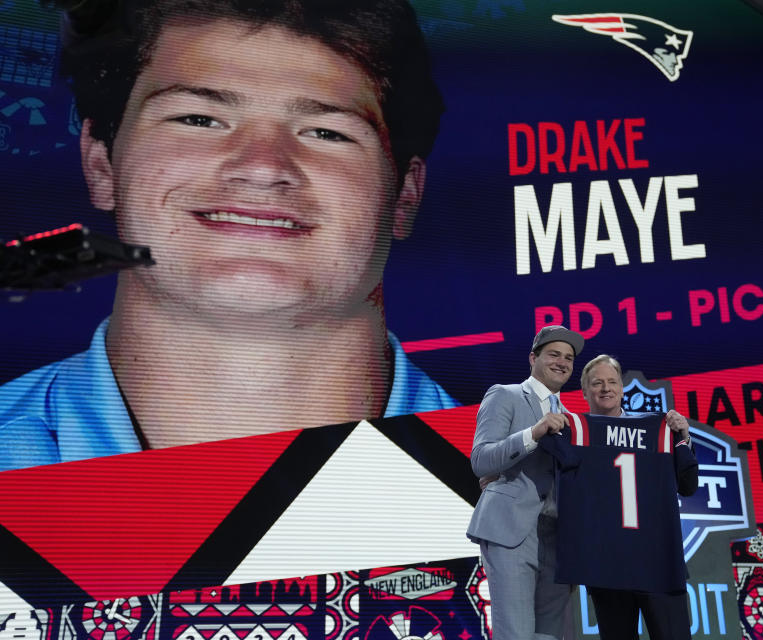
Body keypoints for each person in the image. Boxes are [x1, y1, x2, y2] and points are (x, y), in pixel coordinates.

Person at [0, 0, 456, 471]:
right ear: (100, 164)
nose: (261, 167)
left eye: (325, 132)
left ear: (405, 194)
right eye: (198, 120)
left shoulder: (530, 478)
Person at [466, 325, 585, 640]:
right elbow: (481, 459)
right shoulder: (505, 395)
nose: (562, 362)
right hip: (512, 531)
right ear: (533, 357)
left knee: (550, 636)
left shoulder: (574, 420)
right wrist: (533, 434)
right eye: (554, 354)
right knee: (516, 634)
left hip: (558, 539)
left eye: (569, 358)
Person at [579, 354, 697, 640]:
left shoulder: (658, 430)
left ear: (621, 388)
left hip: (658, 561)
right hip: (607, 566)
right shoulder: (576, 435)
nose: (605, 388)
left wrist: (682, 438)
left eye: (612, 382)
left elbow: (688, 485)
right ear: (584, 392)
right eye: (597, 383)